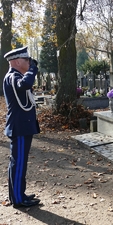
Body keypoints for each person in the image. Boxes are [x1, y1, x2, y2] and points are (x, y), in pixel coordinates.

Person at [3, 46, 41, 208]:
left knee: (20, 163)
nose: (29, 63)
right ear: (18, 61)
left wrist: (30, 68)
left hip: (22, 126)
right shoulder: (13, 76)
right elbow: (24, 85)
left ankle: (19, 194)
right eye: (27, 60)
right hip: (19, 127)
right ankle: (18, 199)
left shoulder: (16, 75)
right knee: (18, 163)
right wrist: (33, 69)